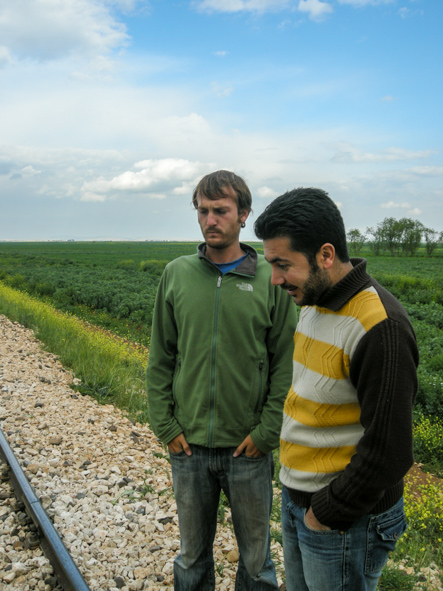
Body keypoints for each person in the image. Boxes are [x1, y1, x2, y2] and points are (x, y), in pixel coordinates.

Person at [254, 187, 419, 591]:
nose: (274, 279)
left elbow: (389, 451)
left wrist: (325, 511)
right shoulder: (313, 301)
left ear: (325, 256)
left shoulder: (380, 328)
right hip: (300, 501)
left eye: (282, 265)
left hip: (345, 521)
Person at [146, 170, 297, 590]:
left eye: (221, 210)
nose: (210, 219)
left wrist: (268, 432)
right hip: (188, 447)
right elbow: (161, 356)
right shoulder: (177, 274)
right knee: (192, 559)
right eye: (203, 210)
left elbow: (286, 361)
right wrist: (166, 424)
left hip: (247, 450)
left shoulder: (270, 278)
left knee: (256, 562)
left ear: (244, 215)